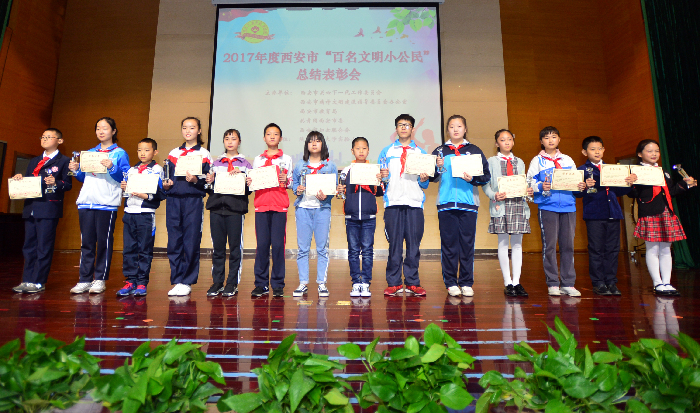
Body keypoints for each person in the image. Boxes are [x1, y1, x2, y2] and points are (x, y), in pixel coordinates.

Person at [430, 115, 490, 297]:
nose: (455, 129)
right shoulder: (440, 151)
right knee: (449, 245)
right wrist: (437, 167)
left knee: (467, 245)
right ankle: (450, 283)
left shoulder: (474, 150)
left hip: (468, 204)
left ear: (465, 129)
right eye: (451, 126)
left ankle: (466, 282)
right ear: (447, 130)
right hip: (446, 203)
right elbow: (431, 177)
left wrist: (473, 178)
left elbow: (485, 176)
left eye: (459, 126)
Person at [69, 117, 130, 294]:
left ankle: (100, 279)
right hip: (86, 201)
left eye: (105, 128)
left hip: (106, 203)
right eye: (98, 128)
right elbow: (84, 177)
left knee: (104, 242)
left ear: (113, 131)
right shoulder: (89, 153)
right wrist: (76, 170)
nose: (101, 131)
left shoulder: (119, 153)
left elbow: (125, 176)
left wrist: (112, 167)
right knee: (86, 243)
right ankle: (84, 279)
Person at [628, 139, 696, 296]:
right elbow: (633, 193)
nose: (654, 154)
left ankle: (667, 282)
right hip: (650, 212)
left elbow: (670, 192)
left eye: (657, 151)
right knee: (652, 249)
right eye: (649, 151)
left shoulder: (663, 171)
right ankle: (657, 283)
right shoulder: (636, 172)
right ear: (640, 154)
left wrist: (684, 184)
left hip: (666, 212)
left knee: (666, 249)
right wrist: (630, 184)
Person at [526, 126, 586, 296]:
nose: (550, 140)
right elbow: (529, 183)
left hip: (568, 206)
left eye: (554, 137)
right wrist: (540, 186)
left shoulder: (567, 160)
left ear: (559, 139)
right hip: (547, 206)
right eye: (546, 137)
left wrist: (580, 185)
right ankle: (552, 283)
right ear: (541, 141)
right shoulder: (537, 161)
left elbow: (576, 181)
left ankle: (568, 283)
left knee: (568, 245)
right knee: (550, 246)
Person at [12, 128, 72, 294]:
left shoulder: (64, 161)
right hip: (31, 207)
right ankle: (27, 280)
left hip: (48, 207)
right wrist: (19, 179)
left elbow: (67, 184)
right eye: (43, 137)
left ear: (59, 141)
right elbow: (29, 181)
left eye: (49, 137)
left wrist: (56, 182)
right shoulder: (35, 160)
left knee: (44, 246)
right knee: (28, 246)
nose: (44, 139)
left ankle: (38, 281)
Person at [575, 136, 637, 296]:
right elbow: (577, 193)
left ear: (604, 150)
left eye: (599, 148)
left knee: (613, 249)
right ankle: (598, 283)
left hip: (613, 213)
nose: (597, 152)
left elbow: (620, 191)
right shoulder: (582, 170)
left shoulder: (612, 169)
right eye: (592, 149)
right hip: (594, 214)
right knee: (596, 249)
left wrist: (629, 183)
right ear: (584, 152)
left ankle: (611, 282)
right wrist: (583, 187)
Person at [378, 114, 430, 296]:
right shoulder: (387, 151)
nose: (403, 128)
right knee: (394, 245)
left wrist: (424, 178)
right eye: (400, 125)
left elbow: (425, 184)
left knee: (413, 246)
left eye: (407, 125)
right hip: (393, 203)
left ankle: (412, 282)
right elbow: (381, 181)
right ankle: (393, 283)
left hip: (415, 203)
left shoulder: (421, 153)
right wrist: (382, 177)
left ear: (413, 129)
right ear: (396, 129)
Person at [162, 117, 213, 296]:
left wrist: (196, 180)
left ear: (199, 131)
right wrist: (166, 184)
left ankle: (187, 281)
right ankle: (177, 279)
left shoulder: (204, 154)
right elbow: (166, 177)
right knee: (174, 240)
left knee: (191, 240)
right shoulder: (173, 153)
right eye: (185, 127)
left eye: (192, 128)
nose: (188, 131)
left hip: (193, 200)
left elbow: (208, 182)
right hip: (174, 200)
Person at [483, 129, 532, 297]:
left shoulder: (520, 161)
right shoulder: (491, 161)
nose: (506, 142)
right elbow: (485, 184)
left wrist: (528, 191)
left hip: (518, 205)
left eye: (509, 139)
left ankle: (517, 282)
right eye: (502, 140)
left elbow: (523, 183)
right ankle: (507, 282)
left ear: (513, 141)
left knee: (517, 244)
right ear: (496, 143)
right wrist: (494, 195)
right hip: (501, 206)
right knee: (503, 243)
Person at [205, 129, 252, 297]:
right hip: (216, 208)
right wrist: (210, 181)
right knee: (218, 248)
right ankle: (217, 282)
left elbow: (249, 189)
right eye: (227, 138)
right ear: (223, 141)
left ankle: (232, 283)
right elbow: (208, 187)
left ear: (239, 142)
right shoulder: (216, 163)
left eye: (233, 139)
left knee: (234, 248)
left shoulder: (246, 164)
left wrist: (244, 178)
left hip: (235, 210)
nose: (230, 142)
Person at [247, 123, 293, 297]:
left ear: (280, 138)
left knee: (278, 246)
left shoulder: (286, 159)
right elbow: (253, 180)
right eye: (269, 134)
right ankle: (261, 284)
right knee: (262, 245)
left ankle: (278, 284)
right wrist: (250, 182)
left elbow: (290, 182)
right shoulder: (258, 159)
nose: (272, 136)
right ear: (264, 137)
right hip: (261, 205)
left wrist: (286, 180)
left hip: (279, 205)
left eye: (275, 134)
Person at [117, 137, 165, 297]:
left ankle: (142, 282)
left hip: (145, 214)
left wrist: (147, 196)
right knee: (129, 249)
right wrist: (124, 187)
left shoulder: (157, 170)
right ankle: (130, 280)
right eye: (139, 150)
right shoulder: (132, 170)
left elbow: (162, 193)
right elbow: (126, 191)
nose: (142, 153)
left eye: (146, 150)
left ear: (155, 152)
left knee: (144, 249)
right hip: (129, 213)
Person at [290, 131, 336, 298]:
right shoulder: (300, 165)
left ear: (323, 144)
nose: (314, 144)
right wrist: (297, 189)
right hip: (303, 208)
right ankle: (303, 283)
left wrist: (327, 196)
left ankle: (321, 283)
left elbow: (333, 188)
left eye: (317, 141)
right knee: (303, 248)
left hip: (322, 209)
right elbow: (294, 183)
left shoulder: (330, 166)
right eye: (311, 141)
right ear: (307, 145)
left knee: (322, 248)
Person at [337, 137, 383, 297]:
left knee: (368, 251)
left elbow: (380, 192)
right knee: (353, 251)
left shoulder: (374, 170)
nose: (361, 151)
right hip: (351, 217)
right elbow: (341, 194)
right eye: (358, 148)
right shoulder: (346, 171)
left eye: (364, 148)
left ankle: (366, 283)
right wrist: (340, 191)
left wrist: (379, 181)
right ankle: (356, 282)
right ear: (352, 151)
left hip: (369, 216)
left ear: (368, 151)